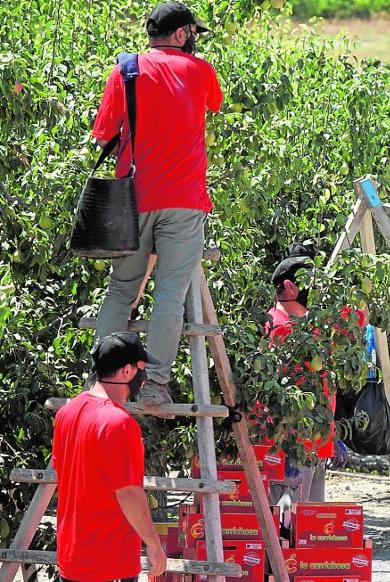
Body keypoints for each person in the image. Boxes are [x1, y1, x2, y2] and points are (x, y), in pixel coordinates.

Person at [90, 1, 223, 415]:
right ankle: (156, 385)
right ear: (182, 34)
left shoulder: (125, 69)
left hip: (133, 198)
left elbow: (103, 134)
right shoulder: (200, 71)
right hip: (184, 200)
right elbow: (214, 104)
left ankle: (102, 381)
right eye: (192, 34)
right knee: (170, 293)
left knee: (121, 290)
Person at [53, 332, 168, 581]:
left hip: (72, 557)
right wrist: (153, 544)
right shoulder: (119, 423)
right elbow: (128, 493)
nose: (144, 378)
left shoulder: (67, 412)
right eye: (142, 369)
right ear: (127, 371)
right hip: (108, 562)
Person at [264, 251, 340, 507]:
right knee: (287, 515)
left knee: (310, 518)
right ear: (290, 286)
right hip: (291, 443)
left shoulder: (311, 327)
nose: (315, 290)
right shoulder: (276, 327)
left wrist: (334, 433)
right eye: (309, 282)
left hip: (317, 442)